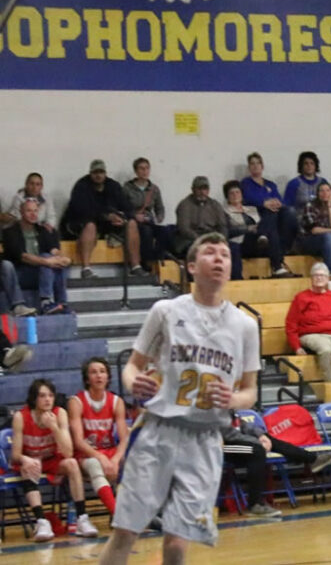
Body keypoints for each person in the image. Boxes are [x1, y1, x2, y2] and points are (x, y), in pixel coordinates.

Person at [98, 233, 260, 564]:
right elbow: (132, 366)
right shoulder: (166, 310)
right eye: (210, 253)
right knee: (126, 531)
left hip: (205, 439)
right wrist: (134, 384)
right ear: (190, 267)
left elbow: (251, 392)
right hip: (159, 431)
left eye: (225, 255)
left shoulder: (245, 325)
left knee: (176, 543)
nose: (219, 259)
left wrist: (232, 399)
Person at [13, 378, 98, 541]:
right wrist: (25, 460)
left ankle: (82, 518)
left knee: (72, 464)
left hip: (52, 459)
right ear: (34, 399)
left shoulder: (60, 413)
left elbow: (68, 452)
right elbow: (15, 455)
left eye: (51, 396)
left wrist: (53, 427)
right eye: (43, 396)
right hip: (32, 461)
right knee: (27, 467)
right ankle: (41, 521)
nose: (47, 400)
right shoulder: (21, 416)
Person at [222, 416, 331, 518]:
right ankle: (255, 504)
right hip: (218, 446)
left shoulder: (227, 400)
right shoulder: (211, 402)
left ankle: (313, 460)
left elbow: (240, 423)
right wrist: (257, 442)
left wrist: (261, 435)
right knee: (257, 450)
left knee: (269, 440)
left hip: (235, 441)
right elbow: (228, 433)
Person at [67, 357, 128, 518]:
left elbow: (124, 439)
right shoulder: (76, 401)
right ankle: (118, 515)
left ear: (108, 376)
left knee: (137, 461)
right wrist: (100, 457)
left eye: (102, 372)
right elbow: (78, 441)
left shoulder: (116, 401)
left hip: (109, 451)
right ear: (87, 379)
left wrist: (115, 460)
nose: (99, 376)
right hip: (87, 454)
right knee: (95, 465)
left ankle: (145, 512)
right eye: (94, 372)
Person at [61, 159, 142, 279]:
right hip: (79, 222)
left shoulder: (113, 186)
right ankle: (86, 269)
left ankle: (136, 267)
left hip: (106, 223)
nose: (98, 175)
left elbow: (127, 206)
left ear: (105, 173)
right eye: (95, 172)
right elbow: (81, 210)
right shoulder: (81, 186)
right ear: (90, 173)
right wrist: (106, 216)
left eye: (101, 172)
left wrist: (122, 218)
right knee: (90, 226)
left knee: (131, 223)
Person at [285, 263, 331, 383]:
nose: (319, 278)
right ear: (311, 279)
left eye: (322, 275)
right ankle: (330, 385)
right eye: (316, 275)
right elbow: (291, 323)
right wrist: (296, 346)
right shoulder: (301, 298)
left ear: (328, 279)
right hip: (313, 335)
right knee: (325, 350)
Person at [2, 198, 71, 313]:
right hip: (19, 273)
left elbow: (53, 250)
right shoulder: (10, 232)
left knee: (54, 261)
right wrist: (47, 261)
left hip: (40, 274)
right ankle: (19, 305)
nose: (33, 214)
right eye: (29, 211)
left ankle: (60, 303)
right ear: (21, 212)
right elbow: (22, 256)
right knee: (6, 265)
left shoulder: (43, 230)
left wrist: (63, 259)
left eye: (35, 211)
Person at [224, 180, 291, 280]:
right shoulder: (224, 211)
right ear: (227, 197)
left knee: (271, 214)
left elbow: (265, 222)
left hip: (258, 243)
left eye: (237, 192)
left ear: (242, 194)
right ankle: (277, 266)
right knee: (269, 231)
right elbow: (226, 232)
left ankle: (263, 236)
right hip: (241, 244)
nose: (235, 195)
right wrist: (247, 229)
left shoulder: (252, 209)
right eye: (231, 193)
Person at [240, 152, 300, 253]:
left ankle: (285, 246)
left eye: (257, 163)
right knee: (271, 211)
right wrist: (264, 203)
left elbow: (279, 198)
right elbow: (248, 197)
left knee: (290, 211)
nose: (255, 166)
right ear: (249, 167)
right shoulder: (246, 183)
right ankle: (263, 236)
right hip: (256, 211)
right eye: (252, 163)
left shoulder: (270, 184)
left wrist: (277, 203)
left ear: (262, 166)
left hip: (273, 210)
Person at [123, 157, 166, 274]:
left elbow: (160, 208)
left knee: (165, 232)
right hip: (133, 220)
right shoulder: (127, 188)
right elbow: (123, 207)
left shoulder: (154, 189)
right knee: (146, 232)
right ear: (136, 171)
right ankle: (144, 264)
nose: (145, 171)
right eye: (141, 169)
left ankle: (159, 263)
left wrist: (159, 218)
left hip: (148, 219)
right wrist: (134, 215)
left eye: (147, 168)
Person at [174, 177, 228, 259]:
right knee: (200, 250)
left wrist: (221, 239)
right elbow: (184, 229)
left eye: (205, 189)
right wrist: (202, 240)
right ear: (193, 189)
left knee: (233, 248)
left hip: (212, 237)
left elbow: (223, 225)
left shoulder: (215, 205)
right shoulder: (185, 205)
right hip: (191, 239)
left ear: (208, 190)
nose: (202, 192)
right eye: (199, 189)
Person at [300, 182, 331, 275]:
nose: (325, 193)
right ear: (317, 193)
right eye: (322, 191)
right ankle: (329, 268)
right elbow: (314, 230)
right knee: (329, 235)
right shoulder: (310, 206)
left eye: (328, 190)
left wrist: (329, 206)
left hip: (330, 242)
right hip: (310, 241)